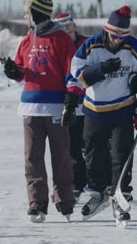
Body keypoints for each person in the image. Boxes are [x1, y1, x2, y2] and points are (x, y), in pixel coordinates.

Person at [66, 5, 137, 222]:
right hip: (95, 110)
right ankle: (98, 194)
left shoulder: (134, 47)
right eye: (115, 35)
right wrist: (100, 70)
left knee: (121, 155)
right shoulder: (90, 45)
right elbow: (76, 76)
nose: (119, 40)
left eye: (123, 35)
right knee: (93, 154)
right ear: (107, 30)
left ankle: (119, 195)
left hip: (122, 110)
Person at [2, 0, 79, 222]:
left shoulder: (61, 40)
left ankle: (64, 201)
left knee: (61, 158)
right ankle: (37, 203)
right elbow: (21, 70)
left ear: (36, 13)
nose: (25, 16)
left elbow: (71, 73)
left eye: (27, 12)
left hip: (55, 109)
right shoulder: (27, 40)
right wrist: (13, 71)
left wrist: (71, 100)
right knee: (32, 158)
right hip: (30, 108)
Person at [53, 13, 89, 201]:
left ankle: (101, 182)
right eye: (63, 31)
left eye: (70, 30)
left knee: (92, 147)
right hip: (70, 106)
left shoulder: (87, 44)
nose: (67, 34)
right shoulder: (58, 47)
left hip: (90, 104)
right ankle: (77, 183)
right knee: (73, 148)